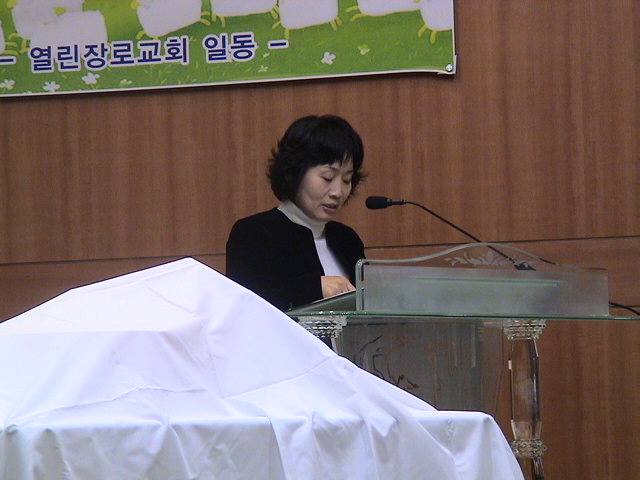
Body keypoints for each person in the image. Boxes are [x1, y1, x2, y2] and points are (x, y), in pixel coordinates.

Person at [226, 114, 366, 311]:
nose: (338, 192)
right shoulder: (255, 233)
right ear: (296, 172)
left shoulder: (347, 239)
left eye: (346, 180)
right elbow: (246, 305)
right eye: (327, 177)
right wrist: (316, 287)